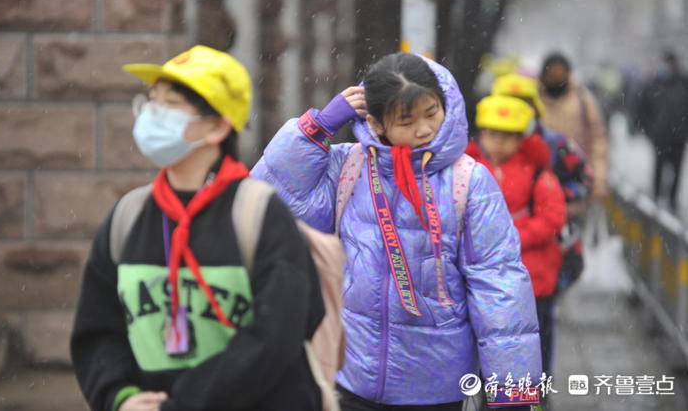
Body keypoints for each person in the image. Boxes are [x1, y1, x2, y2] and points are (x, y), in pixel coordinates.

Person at [252, 52, 541, 410]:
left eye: (431, 112)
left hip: (437, 386)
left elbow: (499, 285)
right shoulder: (349, 167)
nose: (423, 129)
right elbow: (269, 196)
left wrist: (513, 392)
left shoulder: (469, 180)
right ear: (376, 123)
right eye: (406, 120)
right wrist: (317, 127)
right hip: (349, 374)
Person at [70, 45, 325, 411]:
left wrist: (185, 403)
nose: (152, 115)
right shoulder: (128, 216)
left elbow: (279, 335)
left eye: (170, 104)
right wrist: (119, 397)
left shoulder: (260, 215)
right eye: (150, 101)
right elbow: (97, 331)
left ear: (218, 126)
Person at [465, 95, 568, 382]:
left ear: (521, 138)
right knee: (490, 349)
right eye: (492, 134)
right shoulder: (467, 169)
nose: (498, 142)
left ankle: (536, 394)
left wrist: (510, 236)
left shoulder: (537, 172)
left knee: (534, 345)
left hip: (532, 279)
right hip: (486, 280)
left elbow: (553, 217)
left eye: (508, 136)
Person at [491, 73, 592, 292]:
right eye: (507, 102)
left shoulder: (555, 143)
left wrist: (549, 197)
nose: (515, 110)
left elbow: (585, 179)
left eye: (524, 104)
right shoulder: (483, 148)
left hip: (545, 257)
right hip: (494, 262)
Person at [538, 52, 609, 249]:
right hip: (539, 189)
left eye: (560, 74)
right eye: (552, 74)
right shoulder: (533, 101)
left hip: (574, 187)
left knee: (568, 247)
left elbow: (598, 141)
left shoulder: (583, 100)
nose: (556, 78)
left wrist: (599, 179)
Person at [636, 50, 688, 211]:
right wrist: (648, 129)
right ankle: (656, 198)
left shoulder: (683, 83)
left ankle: (672, 201)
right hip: (659, 136)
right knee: (658, 168)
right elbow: (642, 108)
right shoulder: (654, 83)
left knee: (676, 170)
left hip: (678, 137)